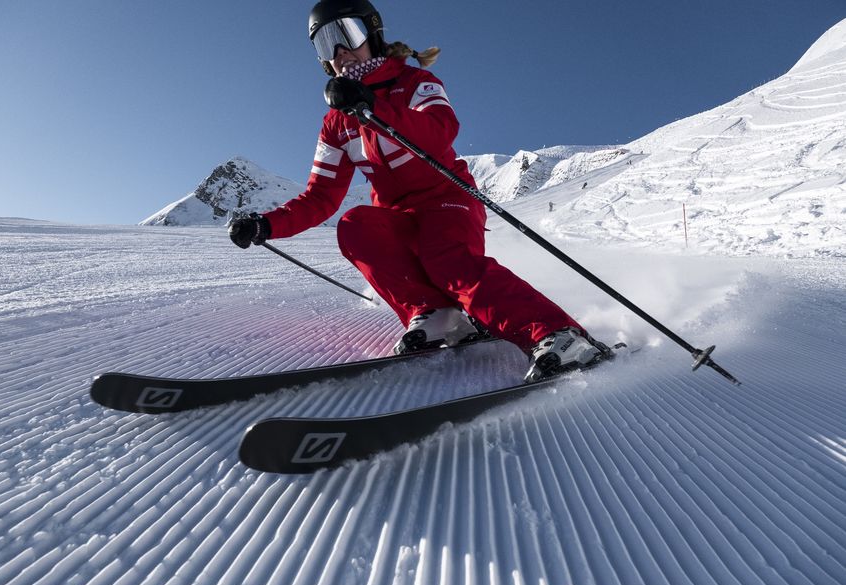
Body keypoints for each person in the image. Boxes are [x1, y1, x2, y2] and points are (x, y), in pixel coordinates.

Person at [228, 0, 608, 382]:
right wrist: (267, 224)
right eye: (326, 43)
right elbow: (320, 196)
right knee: (355, 224)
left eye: (347, 33)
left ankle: (560, 334)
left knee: (447, 260)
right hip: (399, 215)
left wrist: (373, 106)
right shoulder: (335, 124)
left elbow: (441, 131)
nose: (340, 52)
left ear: (373, 35)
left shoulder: (413, 83)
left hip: (449, 200)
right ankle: (438, 315)